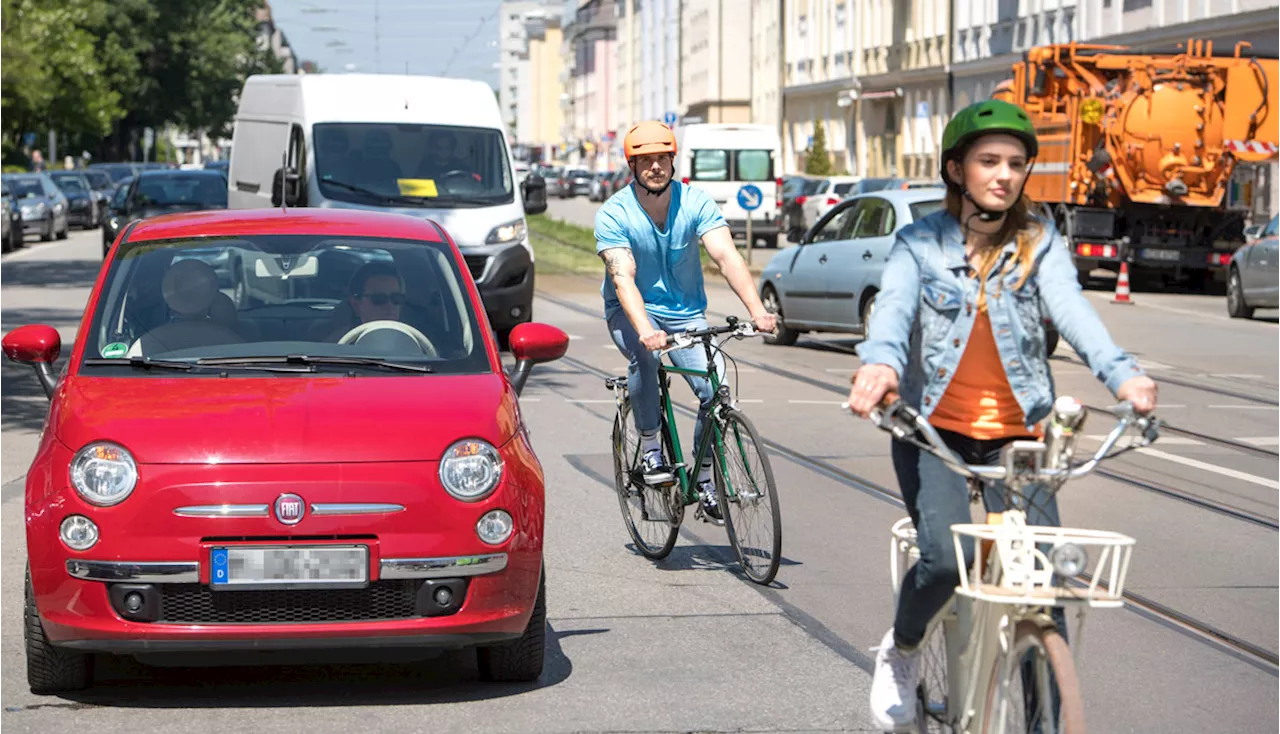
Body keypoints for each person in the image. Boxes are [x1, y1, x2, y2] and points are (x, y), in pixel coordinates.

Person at [843, 99, 1158, 732]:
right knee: (941, 559)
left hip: (1020, 438)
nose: (1004, 174)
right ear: (957, 169)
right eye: (989, 161)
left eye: (1016, 163)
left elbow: (1073, 313)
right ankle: (902, 651)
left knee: (1046, 590)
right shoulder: (920, 243)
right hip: (935, 432)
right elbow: (896, 311)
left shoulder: (1039, 242)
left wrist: (1123, 374)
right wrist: (878, 366)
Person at [595, 120, 777, 524]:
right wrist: (645, 330)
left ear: (673, 162)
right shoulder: (615, 213)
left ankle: (707, 480)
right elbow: (622, 277)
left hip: (687, 316)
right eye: (646, 161)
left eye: (662, 159)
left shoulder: (695, 202)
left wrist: (757, 310)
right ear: (633, 166)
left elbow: (726, 256)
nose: (655, 167)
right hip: (633, 313)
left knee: (717, 392)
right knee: (645, 358)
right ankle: (650, 447)